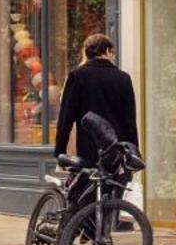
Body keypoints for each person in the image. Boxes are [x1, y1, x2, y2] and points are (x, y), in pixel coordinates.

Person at [53, 33, 138, 171]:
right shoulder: (123, 78)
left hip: (88, 149)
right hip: (116, 150)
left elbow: (66, 118)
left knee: (86, 189)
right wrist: (133, 153)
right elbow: (129, 120)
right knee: (115, 190)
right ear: (107, 51)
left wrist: (60, 151)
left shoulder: (77, 76)